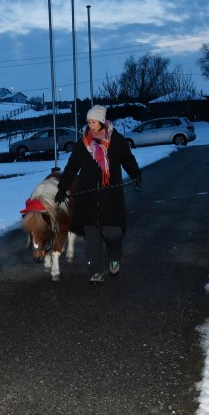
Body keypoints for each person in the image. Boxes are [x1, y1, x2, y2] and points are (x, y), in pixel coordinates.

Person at [55, 105, 142, 283]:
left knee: (112, 233)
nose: (91, 125)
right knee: (92, 237)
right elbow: (71, 167)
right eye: (88, 122)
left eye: (94, 121)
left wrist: (136, 174)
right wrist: (62, 189)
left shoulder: (116, 140)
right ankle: (95, 271)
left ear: (102, 122)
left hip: (110, 196)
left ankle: (115, 254)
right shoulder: (83, 143)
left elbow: (127, 159)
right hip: (87, 198)